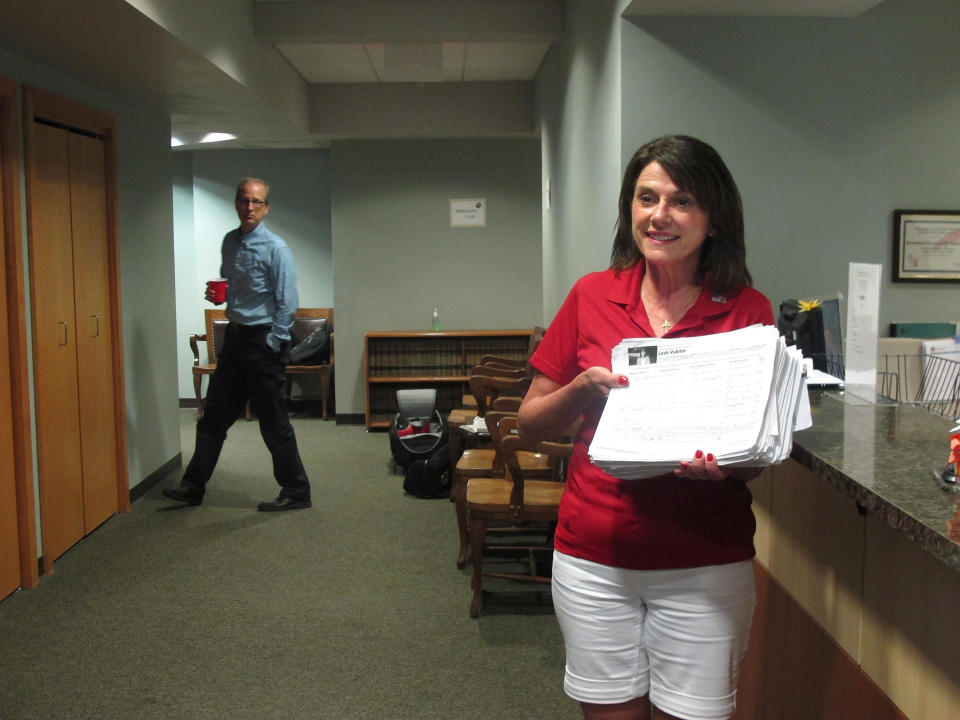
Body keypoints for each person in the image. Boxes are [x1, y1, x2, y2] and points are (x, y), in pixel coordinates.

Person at [518, 135, 774, 720]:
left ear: (712, 219)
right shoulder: (590, 295)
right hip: (594, 555)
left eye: (681, 201)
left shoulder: (745, 310)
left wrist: (727, 466)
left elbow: (755, 454)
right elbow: (529, 425)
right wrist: (582, 389)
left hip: (703, 557)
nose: (659, 215)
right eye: (646, 197)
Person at [163, 178, 312, 511]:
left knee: (273, 422)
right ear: (236, 203)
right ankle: (193, 486)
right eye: (245, 201)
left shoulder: (277, 248)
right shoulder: (230, 242)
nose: (249, 207)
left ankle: (297, 491)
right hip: (235, 338)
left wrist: (273, 342)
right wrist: (220, 294)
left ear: (266, 208)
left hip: (263, 342)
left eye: (257, 202)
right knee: (213, 418)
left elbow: (287, 302)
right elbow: (232, 284)